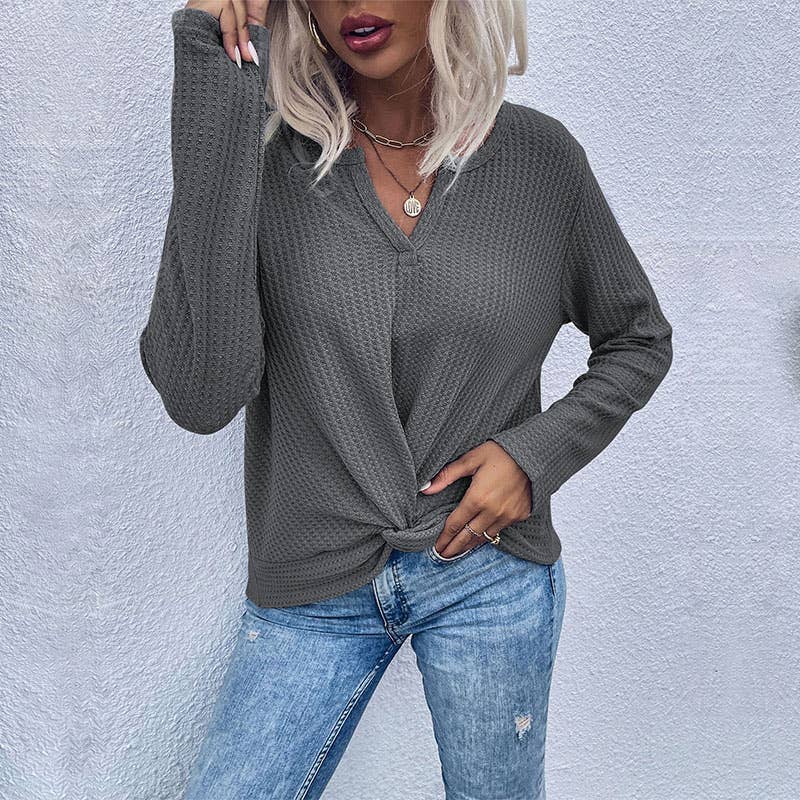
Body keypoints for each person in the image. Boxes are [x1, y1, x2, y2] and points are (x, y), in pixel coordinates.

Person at [137, 1, 673, 797]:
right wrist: (216, 69)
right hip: (311, 580)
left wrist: (533, 459)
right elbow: (201, 393)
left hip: (488, 571)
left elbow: (638, 338)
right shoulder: (268, 166)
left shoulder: (541, 161)